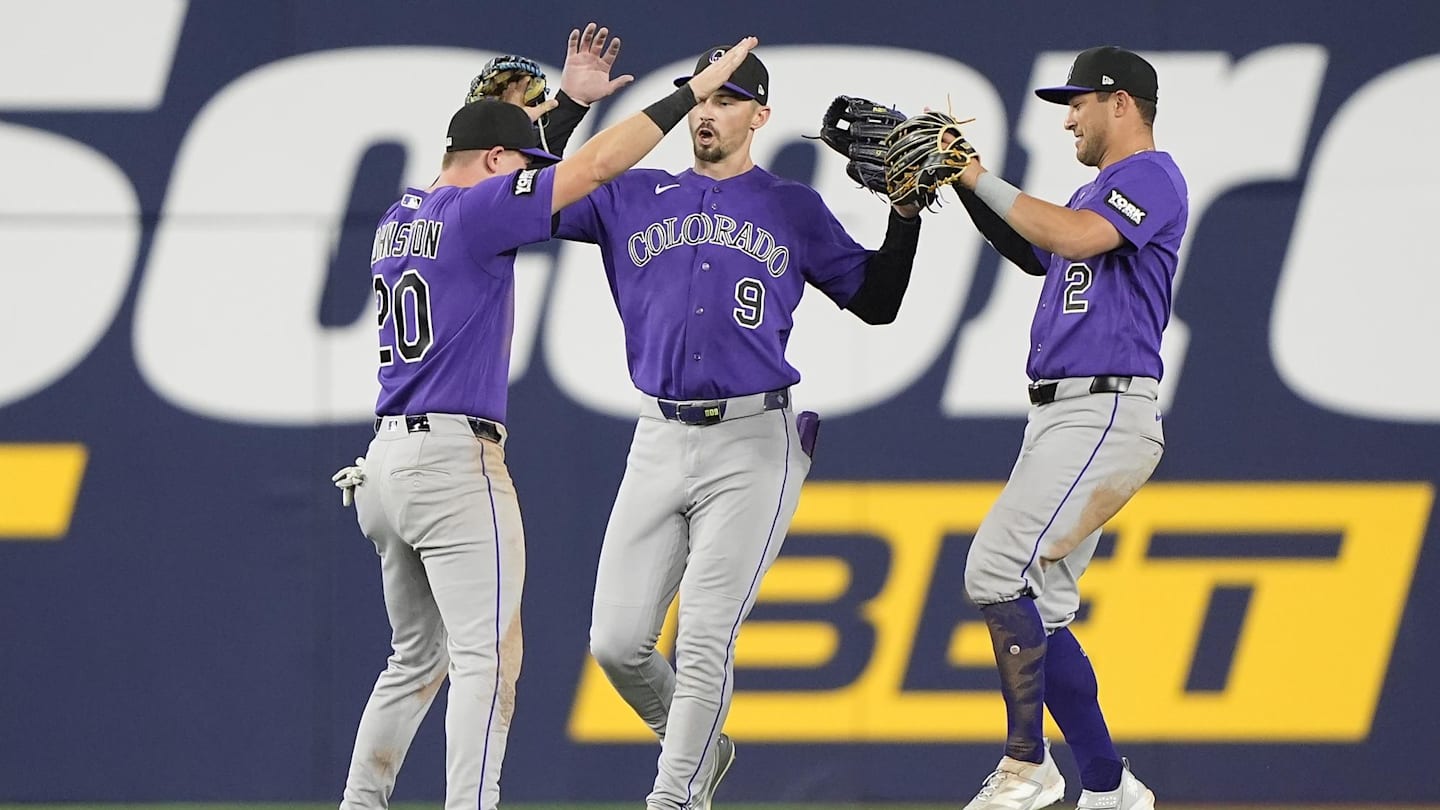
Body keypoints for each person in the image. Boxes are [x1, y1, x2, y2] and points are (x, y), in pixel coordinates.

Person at [331, 34, 761, 810]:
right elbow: (586, 171)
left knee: (412, 659)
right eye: (521, 153)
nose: (534, 166)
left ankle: (360, 803)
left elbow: (513, 176)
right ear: (496, 159)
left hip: (383, 465)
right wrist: (686, 96)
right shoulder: (475, 217)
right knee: (486, 662)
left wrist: (560, 110)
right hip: (451, 469)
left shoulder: (402, 214)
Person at [553, 45, 928, 810]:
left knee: (703, 638)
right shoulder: (631, 194)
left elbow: (878, 301)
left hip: (754, 443)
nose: (705, 112)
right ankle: (701, 746)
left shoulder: (792, 206)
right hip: (658, 436)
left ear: (759, 116)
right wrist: (570, 105)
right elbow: (530, 191)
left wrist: (904, 213)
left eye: (725, 100)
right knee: (617, 645)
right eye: (699, 98)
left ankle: (676, 797)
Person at [946, 45, 1186, 810]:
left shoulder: (1150, 175)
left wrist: (980, 175)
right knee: (1041, 609)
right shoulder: (1097, 191)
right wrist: (960, 182)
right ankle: (1112, 787)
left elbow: (1074, 239)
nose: (1069, 117)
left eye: (1078, 102)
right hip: (1067, 414)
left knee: (994, 570)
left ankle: (1028, 766)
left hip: (1104, 407)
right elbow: (1036, 247)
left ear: (1122, 103)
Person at [464, 23, 636, 158]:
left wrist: (572, 103)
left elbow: (530, 170)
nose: (510, 118)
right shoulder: (454, 188)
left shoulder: (534, 170)